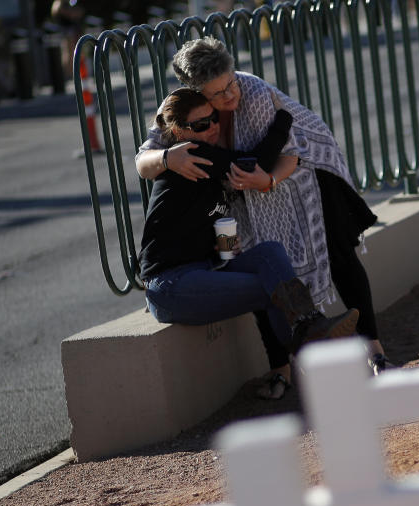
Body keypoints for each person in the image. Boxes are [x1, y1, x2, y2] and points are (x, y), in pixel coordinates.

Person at [135, 36, 392, 395]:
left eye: (230, 83)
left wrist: (269, 179)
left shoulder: (252, 95)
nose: (229, 97)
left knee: (330, 254)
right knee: (263, 266)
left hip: (302, 170)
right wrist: (167, 158)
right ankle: (289, 365)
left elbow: (282, 157)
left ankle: (372, 352)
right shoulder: (187, 125)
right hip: (217, 214)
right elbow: (144, 160)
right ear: (194, 95)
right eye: (217, 94)